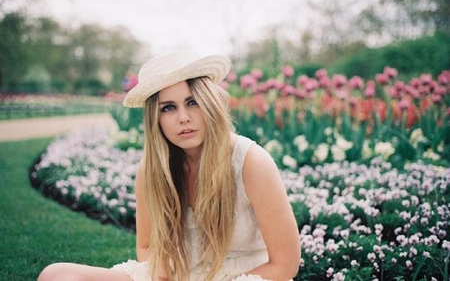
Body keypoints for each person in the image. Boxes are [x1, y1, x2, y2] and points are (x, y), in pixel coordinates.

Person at [38, 50, 301, 281]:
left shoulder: (250, 161)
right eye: (168, 108)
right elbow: (147, 249)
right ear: (156, 119)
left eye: (192, 102)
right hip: (176, 276)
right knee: (57, 275)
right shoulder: (151, 170)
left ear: (209, 104)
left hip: (245, 277)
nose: (183, 118)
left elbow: (285, 265)